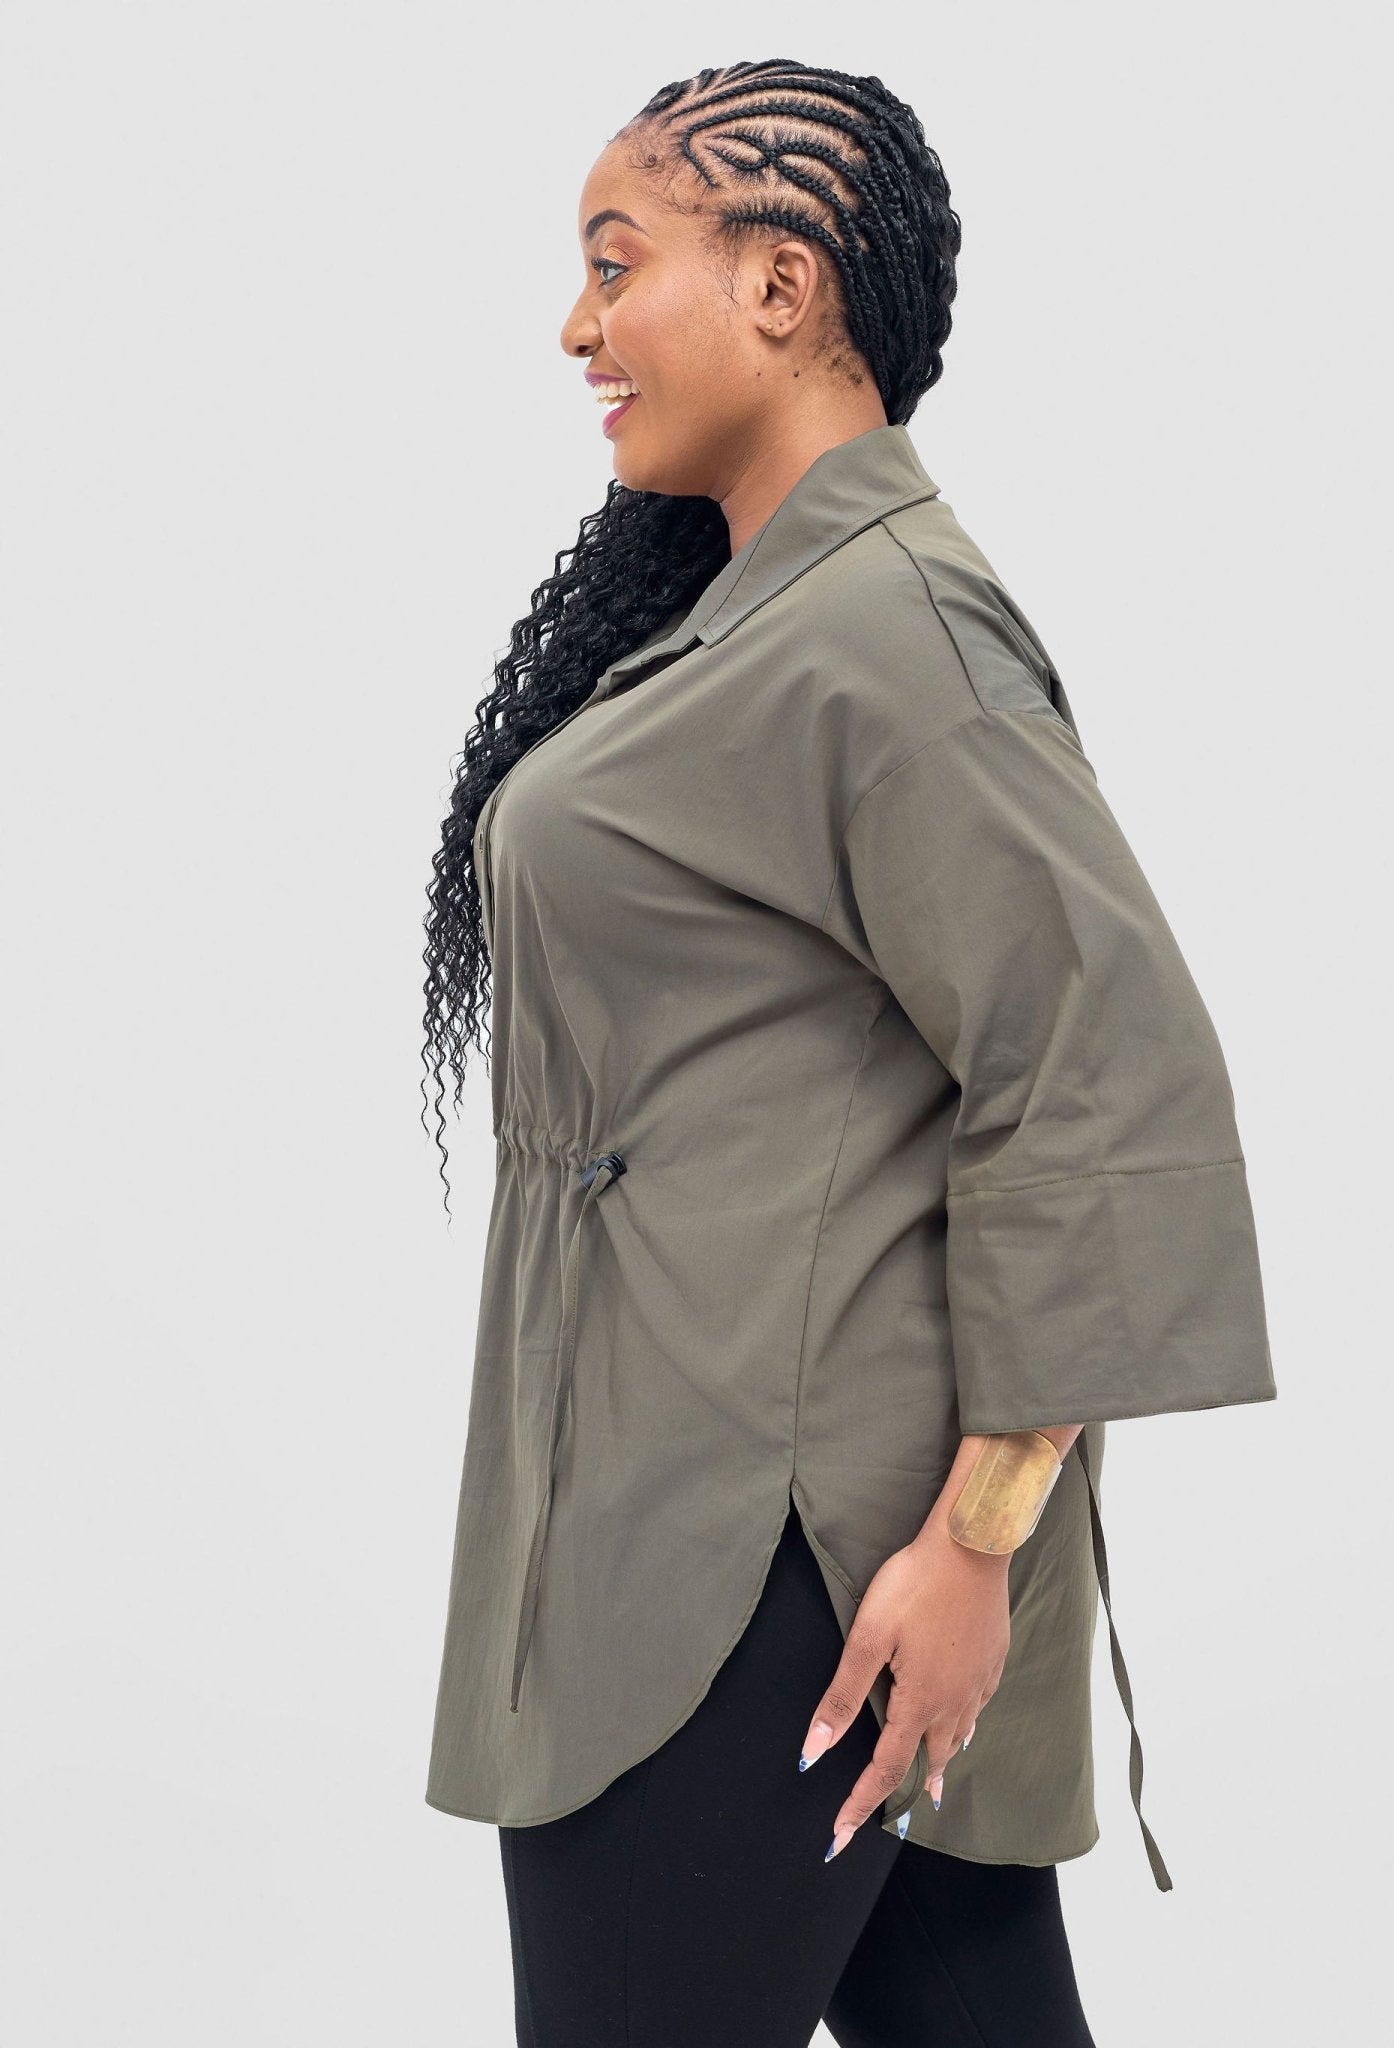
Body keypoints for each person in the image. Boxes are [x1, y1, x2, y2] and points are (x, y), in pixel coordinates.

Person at [418, 57, 1276, 2048]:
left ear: (783, 286)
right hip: (718, 1509)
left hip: (771, 1564)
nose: (577, 328)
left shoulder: (894, 631)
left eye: (615, 264)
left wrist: (974, 1546)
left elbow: (1110, 1077)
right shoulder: (768, 608)